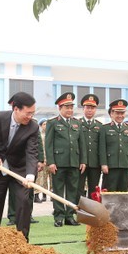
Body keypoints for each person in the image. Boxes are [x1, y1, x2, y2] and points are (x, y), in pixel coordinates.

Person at [0, 92, 38, 240]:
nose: (30, 117)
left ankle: (22, 240)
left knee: (23, 202)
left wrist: (30, 175)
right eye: (27, 113)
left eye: (32, 113)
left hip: (20, 170)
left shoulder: (33, 127)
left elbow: (32, 152)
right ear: (16, 109)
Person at [45, 92, 86, 227]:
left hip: (74, 162)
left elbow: (82, 144)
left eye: (71, 107)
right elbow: (48, 144)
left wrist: (83, 161)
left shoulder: (77, 123)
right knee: (58, 190)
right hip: (58, 163)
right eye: (66, 107)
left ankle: (69, 216)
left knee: (72, 190)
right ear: (60, 108)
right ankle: (58, 216)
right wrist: (51, 162)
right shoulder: (52, 123)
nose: (69, 110)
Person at [99, 99, 128, 192]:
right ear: (112, 114)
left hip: (125, 164)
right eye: (117, 113)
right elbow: (102, 148)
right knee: (109, 190)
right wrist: (103, 164)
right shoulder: (105, 128)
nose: (120, 116)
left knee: (123, 191)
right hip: (111, 165)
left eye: (122, 113)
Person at [78, 94, 102, 199]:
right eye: (87, 108)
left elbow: (101, 146)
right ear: (83, 109)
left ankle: (92, 211)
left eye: (92, 108)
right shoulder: (77, 124)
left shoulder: (100, 125)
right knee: (79, 187)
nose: (90, 110)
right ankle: (78, 209)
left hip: (94, 163)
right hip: (79, 162)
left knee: (93, 188)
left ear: (95, 110)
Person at [34, 118, 50, 203]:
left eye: (47, 124)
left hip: (50, 160)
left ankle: (49, 195)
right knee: (40, 179)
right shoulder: (39, 135)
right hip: (42, 160)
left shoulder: (50, 135)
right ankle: (37, 195)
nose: (46, 126)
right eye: (44, 124)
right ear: (40, 126)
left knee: (51, 179)